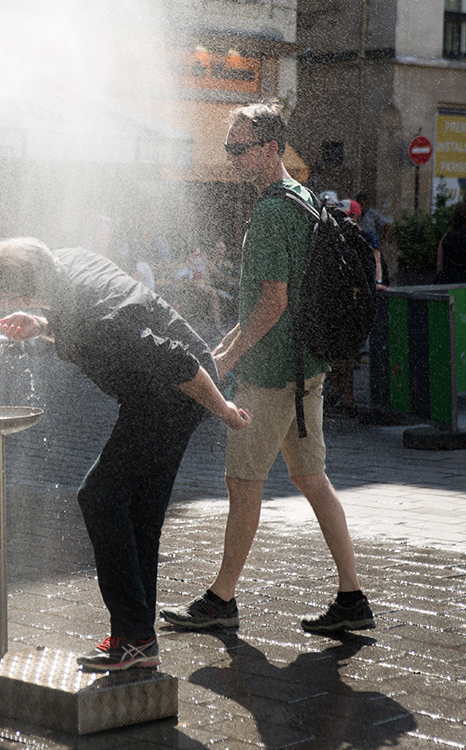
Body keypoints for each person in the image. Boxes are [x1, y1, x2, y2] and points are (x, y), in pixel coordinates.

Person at [0, 237, 252, 671]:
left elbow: (179, 363)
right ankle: (137, 638)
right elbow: (75, 323)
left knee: (100, 498)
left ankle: (135, 635)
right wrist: (38, 325)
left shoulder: (94, 319)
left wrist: (224, 410)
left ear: (25, 292)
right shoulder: (69, 260)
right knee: (141, 512)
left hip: (176, 393)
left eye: (10, 297)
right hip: (161, 390)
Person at [161, 102, 375, 634]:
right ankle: (352, 597)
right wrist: (222, 347)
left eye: (240, 148)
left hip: (272, 373)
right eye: (229, 148)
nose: (232, 158)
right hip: (308, 366)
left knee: (242, 483)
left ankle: (221, 599)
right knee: (310, 476)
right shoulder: (305, 200)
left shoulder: (269, 212)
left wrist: (228, 358)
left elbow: (271, 303)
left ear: (271, 148)